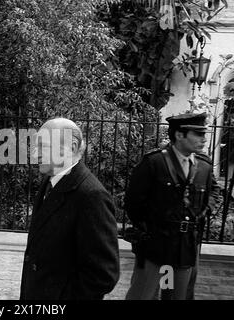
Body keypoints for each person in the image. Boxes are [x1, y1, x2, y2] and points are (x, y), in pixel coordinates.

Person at [19, 118, 120, 300]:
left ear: (72, 147)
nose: (35, 154)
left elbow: (104, 275)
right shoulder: (51, 182)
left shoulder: (91, 195)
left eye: (43, 147)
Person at [124, 112, 218, 300]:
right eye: (198, 134)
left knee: (175, 295)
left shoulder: (204, 167)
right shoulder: (154, 163)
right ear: (179, 135)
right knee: (144, 294)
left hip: (185, 248)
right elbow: (133, 202)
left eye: (204, 134)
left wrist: (204, 211)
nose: (203, 139)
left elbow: (213, 193)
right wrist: (150, 228)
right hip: (155, 246)